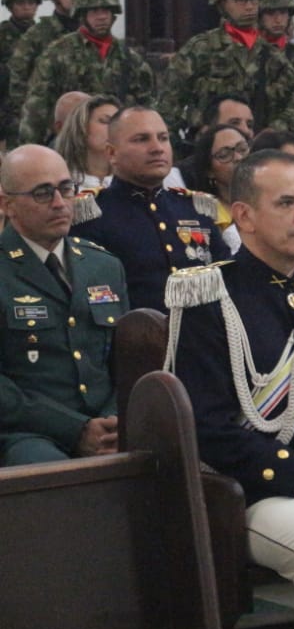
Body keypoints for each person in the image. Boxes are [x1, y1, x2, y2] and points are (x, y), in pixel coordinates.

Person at [166, 150, 294, 629]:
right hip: (260, 488)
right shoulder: (209, 297)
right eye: (286, 203)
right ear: (245, 216)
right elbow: (209, 428)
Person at [0, 145, 128, 466]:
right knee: (49, 474)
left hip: (107, 425)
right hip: (27, 431)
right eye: (43, 193)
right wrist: (75, 429)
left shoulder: (103, 265)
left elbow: (126, 359)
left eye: (66, 188)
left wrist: (111, 420)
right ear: (7, 205)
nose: (59, 203)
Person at [71, 107, 228, 311]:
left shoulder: (195, 208)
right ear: (111, 153)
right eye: (141, 139)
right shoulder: (92, 213)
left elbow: (227, 279)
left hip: (202, 338)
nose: (157, 148)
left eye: (163, 138)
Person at [159, 0, 294, 140]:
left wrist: (275, 130)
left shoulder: (272, 53)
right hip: (206, 149)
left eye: (254, 0)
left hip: (261, 150)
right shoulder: (200, 49)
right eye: (241, 0)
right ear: (222, 3)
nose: (250, 6)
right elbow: (169, 104)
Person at [21, 0, 155, 144]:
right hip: (72, 141)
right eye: (94, 12)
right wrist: (30, 149)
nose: (101, 17)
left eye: (106, 11)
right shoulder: (57, 54)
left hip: (119, 141)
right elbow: (36, 109)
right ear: (82, 15)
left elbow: (147, 106)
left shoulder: (130, 58)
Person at [6, 0, 84, 146]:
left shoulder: (90, 33)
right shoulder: (37, 36)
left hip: (87, 125)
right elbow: (18, 88)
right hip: (49, 129)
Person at [179, 123, 251, 229]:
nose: (238, 157)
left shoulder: (270, 199)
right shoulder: (202, 217)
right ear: (209, 171)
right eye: (224, 155)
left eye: (242, 149)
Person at [0, 0, 41, 139]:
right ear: (10, 5)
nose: (26, 7)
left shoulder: (45, 35)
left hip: (39, 110)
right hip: (7, 113)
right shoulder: (2, 35)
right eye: (20, 3)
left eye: (31, 2)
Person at [54, 94, 120, 191]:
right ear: (81, 127)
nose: (114, 128)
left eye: (119, 123)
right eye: (104, 121)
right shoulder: (57, 182)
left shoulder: (134, 183)